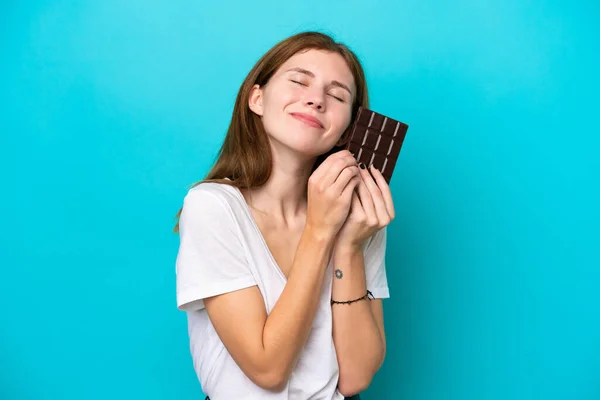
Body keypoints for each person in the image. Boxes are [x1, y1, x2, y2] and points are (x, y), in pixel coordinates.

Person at [174, 31, 395, 400]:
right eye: (298, 81)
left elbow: (355, 378)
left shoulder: (360, 218)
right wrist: (321, 231)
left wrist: (348, 247)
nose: (316, 99)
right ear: (257, 98)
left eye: (337, 95)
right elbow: (268, 369)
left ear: (347, 131)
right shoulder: (212, 206)